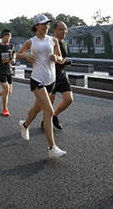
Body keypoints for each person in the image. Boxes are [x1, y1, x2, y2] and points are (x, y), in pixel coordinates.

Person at [17, 14, 67, 158]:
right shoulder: (30, 42)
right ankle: (52, 148)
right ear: (36, 26)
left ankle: (25, 125)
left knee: (36, 109)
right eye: (43, 24)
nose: (46, 26)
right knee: (49, 111)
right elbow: (17, 55)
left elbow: (61, 59)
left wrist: (56, 58)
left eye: (47, 24)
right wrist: (26, 56)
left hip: (51, 81)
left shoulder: (53, 40)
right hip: (37, 79)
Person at [49, 21, 74, 130]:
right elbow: (49, 59)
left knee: (69, 99)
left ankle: (54, 116)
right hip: (51, 75)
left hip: (62, 75)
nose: (63, 31)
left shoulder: (65, 43)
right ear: (54, 30)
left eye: (65, 29)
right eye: (60, 29)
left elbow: (61, 59)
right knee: (50, 102)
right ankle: (46, 120)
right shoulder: (51, 42)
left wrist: (65, 62)